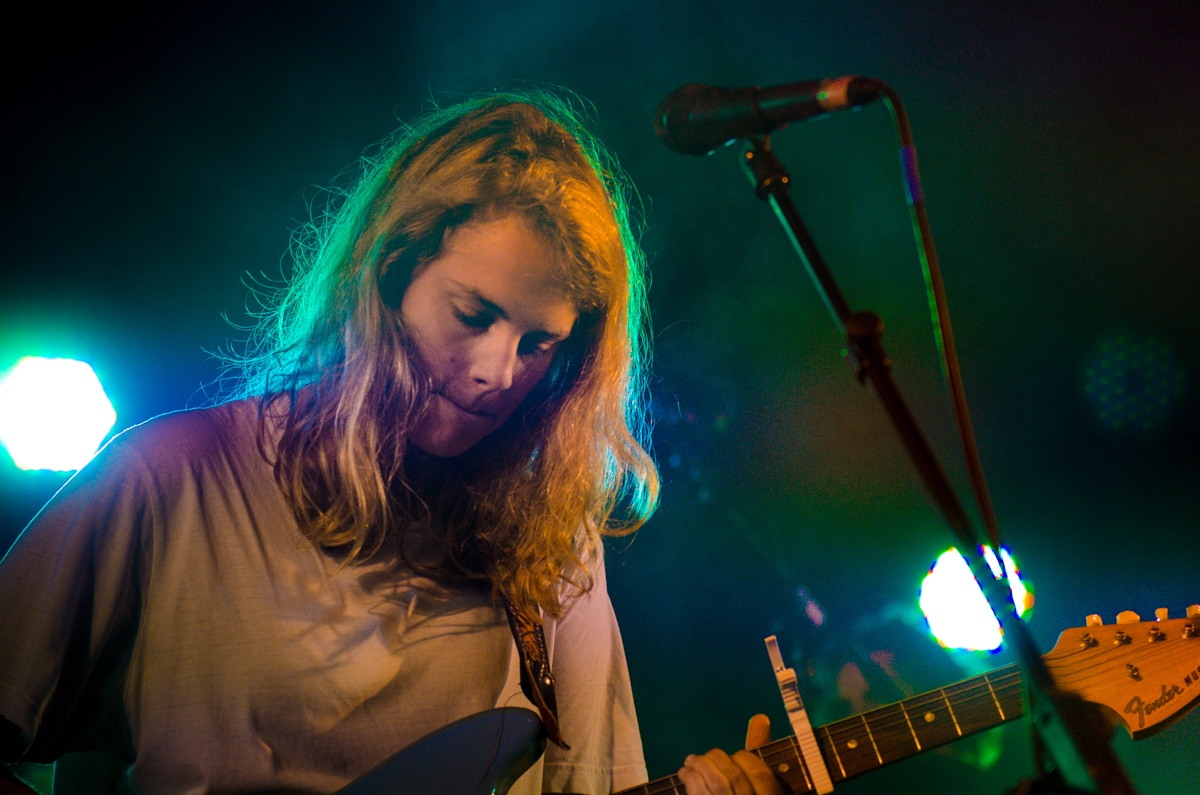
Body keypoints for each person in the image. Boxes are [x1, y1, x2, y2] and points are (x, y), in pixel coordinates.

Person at [0, 93, 780, 795]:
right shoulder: (170, 478)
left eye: (539, 344)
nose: (496, 374)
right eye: (473, 314)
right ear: (390, 270)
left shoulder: (555, 550)